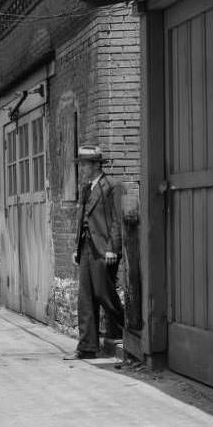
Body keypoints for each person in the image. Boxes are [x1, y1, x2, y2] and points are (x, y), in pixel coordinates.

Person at [64, 145, 124, 360]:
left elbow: (118, 220)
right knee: (85, 297)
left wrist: (112, 249)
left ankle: (120, 328)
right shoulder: (86, 188)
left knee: (103, 292)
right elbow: (81, 220)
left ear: (97, 165)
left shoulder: (112, 186)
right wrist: (76, 247)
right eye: (81, 165)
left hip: (104, 249)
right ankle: (87, 347)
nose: (83, 169)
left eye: (86, 164)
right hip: (87, 247)